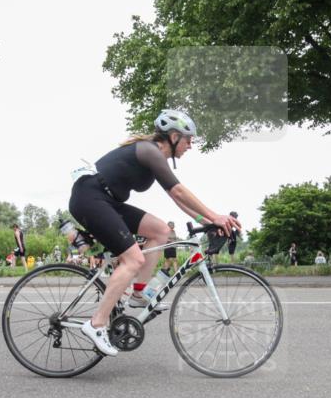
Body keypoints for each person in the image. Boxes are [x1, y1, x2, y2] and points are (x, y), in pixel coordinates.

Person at [68, 109, 239, 356]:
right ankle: (96, 324)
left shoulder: (155, 155)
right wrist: (216, 216)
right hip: (90, 198)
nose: (190, 145)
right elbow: (180, 192)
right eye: (188, 139)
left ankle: (138, 292)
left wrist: (205, 220)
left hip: (107, 201)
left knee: (160, 230)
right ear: (173, 136)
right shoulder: (150, 150)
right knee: (133, 259)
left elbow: (175, 197)